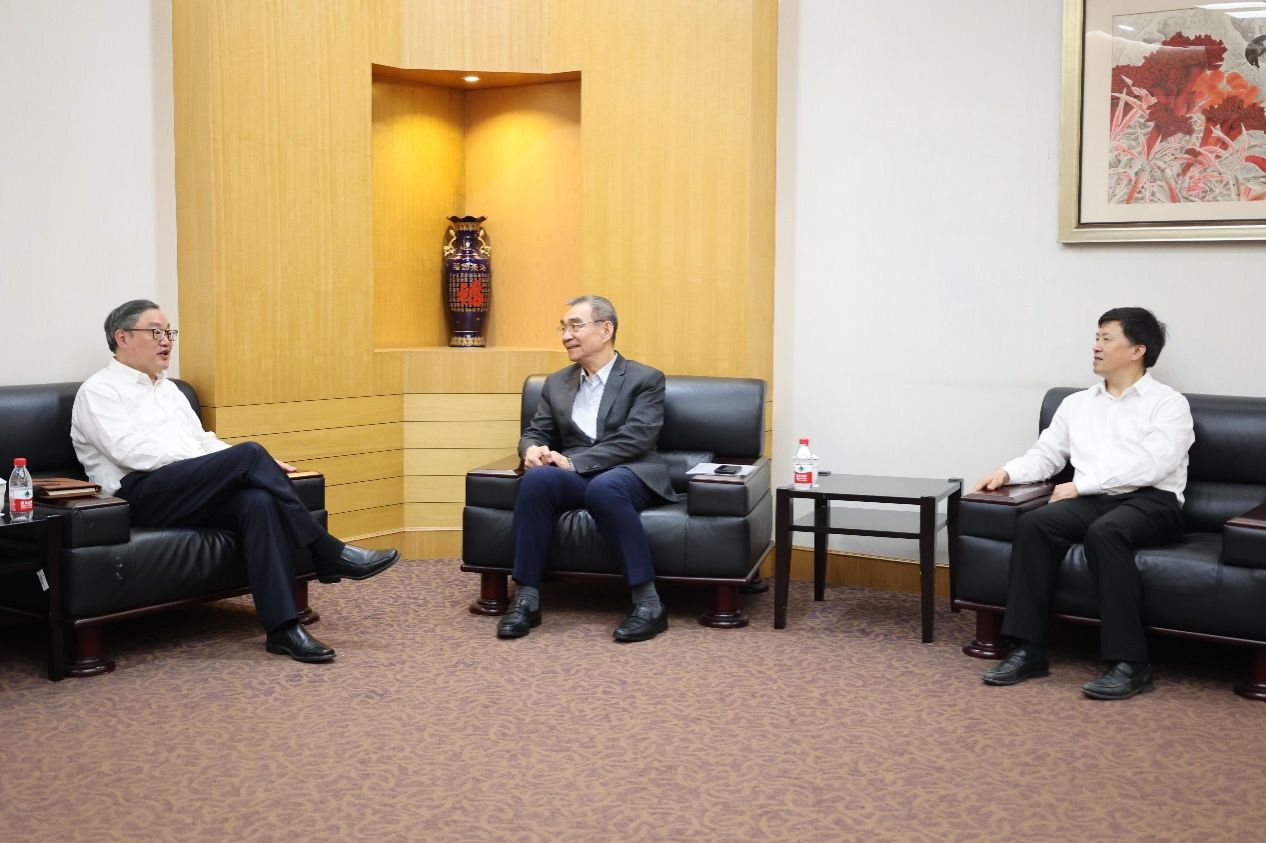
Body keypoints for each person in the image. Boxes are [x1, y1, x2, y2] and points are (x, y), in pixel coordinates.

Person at [71, 299, 400, 664]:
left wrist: (252, 465)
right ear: (122, 337)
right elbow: (129, 452)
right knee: (249, 454)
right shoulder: (99, 391)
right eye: (156, 332)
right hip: (137, 496)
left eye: (170, 332)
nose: (166, 340)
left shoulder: (169, 390)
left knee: (258, 502)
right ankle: (326, 550)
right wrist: (227, 465)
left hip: (184, 490)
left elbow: (202, 441)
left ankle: (283, 630)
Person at [973, 307, 1194, 700]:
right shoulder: (1077, 404)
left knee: (1105, 532)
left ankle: (1131, 664)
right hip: (1094, 498)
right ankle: (1028, 649)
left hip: (1153, 501)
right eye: (1096, 337)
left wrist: (1081, 485)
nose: (1096, 346)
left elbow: (1153, 464)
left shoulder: (1168, 404)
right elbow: (1047, 454)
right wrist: (1007, 472)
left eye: (1107, 339)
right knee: (1035, 524)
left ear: (1137, 350)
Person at [497, 295, 676, 643]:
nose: (566, 336)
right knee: (536, 481)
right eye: (563, 328)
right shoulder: (556, 383)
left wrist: (575, 462)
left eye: (575, 326)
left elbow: (637, 437)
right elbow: (536, 431)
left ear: (605, 329)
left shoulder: (645, 378)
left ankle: (649, 604)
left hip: (630, 469)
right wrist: (531, 450)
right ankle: (526, 599)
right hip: (576, 474)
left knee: (605, 487)